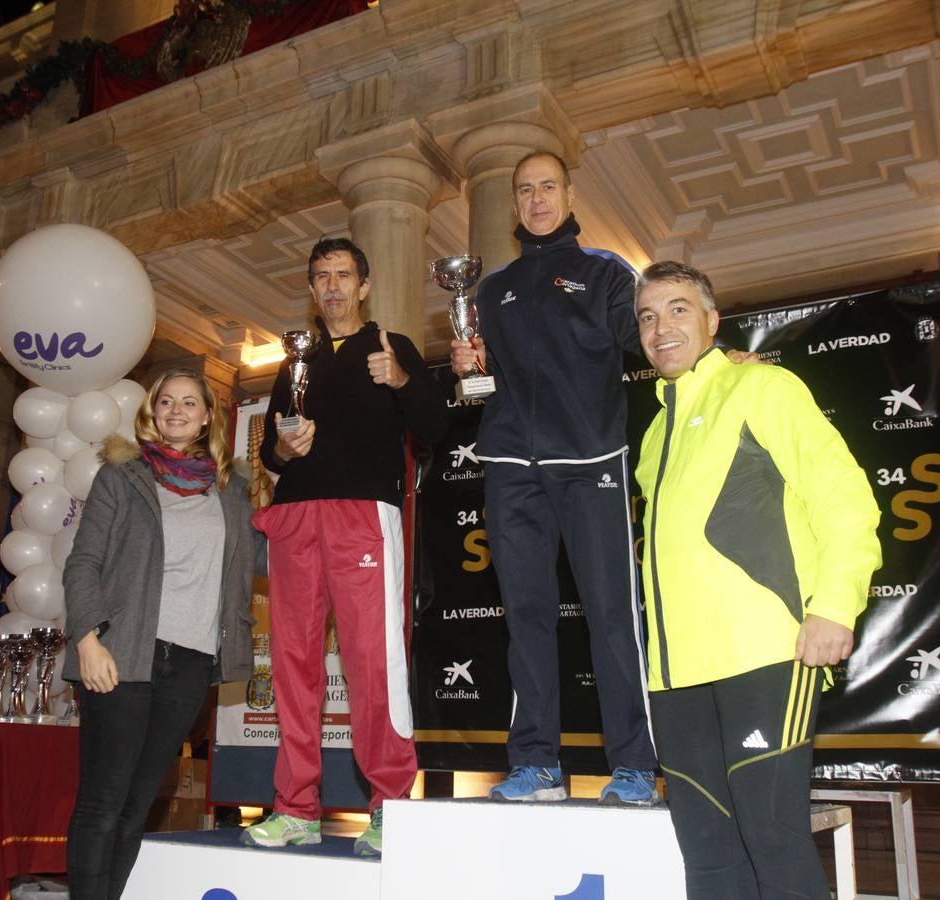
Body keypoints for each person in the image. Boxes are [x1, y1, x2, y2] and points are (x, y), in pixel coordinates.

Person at [632, 261, 881, 899]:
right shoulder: (656, 431)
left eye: (679, 309)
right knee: (709, 858)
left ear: (713, 321)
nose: (662, 328)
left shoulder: (763, 388)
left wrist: (835, 606)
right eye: (648, 316)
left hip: (768, 654)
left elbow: (845, 498)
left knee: (774, 839)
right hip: (676, 677)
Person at [450, 151, 659, 804]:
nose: (536, 199)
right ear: (514, 204)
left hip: (591, 462)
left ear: (569, 196)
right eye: (525, 190)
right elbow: (483, 389)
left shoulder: (604, 272)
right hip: (513, 467)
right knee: (527, 618)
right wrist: (469, 370)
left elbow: (651, 340)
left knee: (611, 616)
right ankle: (536, 762)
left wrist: (709, 353)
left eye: (547, 187)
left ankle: (634, 765)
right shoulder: (490, 291)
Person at [242, 237, 449, 857]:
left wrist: (404, 380)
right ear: (312, 290)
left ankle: (388, 807)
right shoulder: (294, 361)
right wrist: (283, 450)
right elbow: (271, 453)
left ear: (363, 286)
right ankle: (296, 808)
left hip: (363, 517)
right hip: (296, 518)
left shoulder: (391, 348)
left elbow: (437, 428)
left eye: (343, 275)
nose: (332, 286)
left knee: (372, 665)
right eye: (321, 277)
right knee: (293, 667)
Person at [61, 368, 258, 900]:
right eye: (166, 401)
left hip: (191, 663)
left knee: (138, 804)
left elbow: (264, 556)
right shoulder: (122, 477)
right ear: (151, 412)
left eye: (189, 403)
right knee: (103, 801)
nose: (176, 410)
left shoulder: (232, 489)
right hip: (122, 653)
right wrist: (87, 640)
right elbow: (83, 564)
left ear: (206, 416)